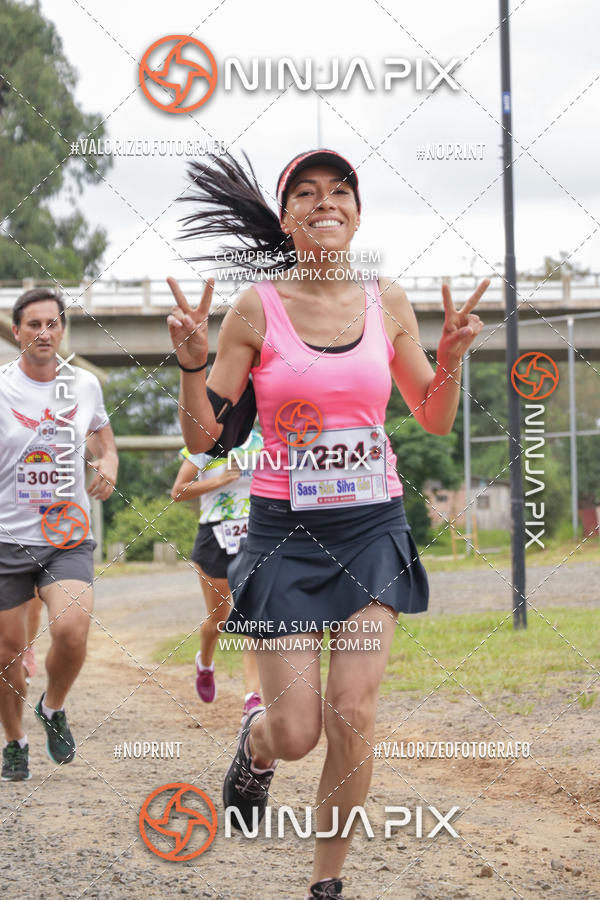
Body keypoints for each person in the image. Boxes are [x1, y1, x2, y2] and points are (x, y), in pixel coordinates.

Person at [166, 149, 487, 900]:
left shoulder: (389, 301)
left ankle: (326, 885)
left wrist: (449, 361)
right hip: (285, 534)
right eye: (306, 194)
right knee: (298, 730)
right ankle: (255, 746)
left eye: (339, 191)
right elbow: (204, 441)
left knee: (353, 712)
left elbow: (433, 418)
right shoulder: (256, 308)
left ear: (357, 212)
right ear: (287, 218)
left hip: (372, 530)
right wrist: (191, 364)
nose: (325, 202)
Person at [0, 288, 118, 782]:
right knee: (6, 654)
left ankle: (53, 706)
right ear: (16, 332)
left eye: (53, 324)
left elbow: (105, 444)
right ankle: (14, 742)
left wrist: (108, 465)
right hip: (6, 538)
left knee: (71, 631)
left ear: (62, 330)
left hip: (65, 532)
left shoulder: (85, 385)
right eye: (34, 325)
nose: (44, 333)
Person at [170, 427, 263, 720]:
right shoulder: (204, 445)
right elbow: (178, 491)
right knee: (218, 619)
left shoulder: (264, 443)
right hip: (215, 536)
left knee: (252, 618)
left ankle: (252, 697)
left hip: (255, 535)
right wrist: (221, 480)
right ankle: (205, 662)